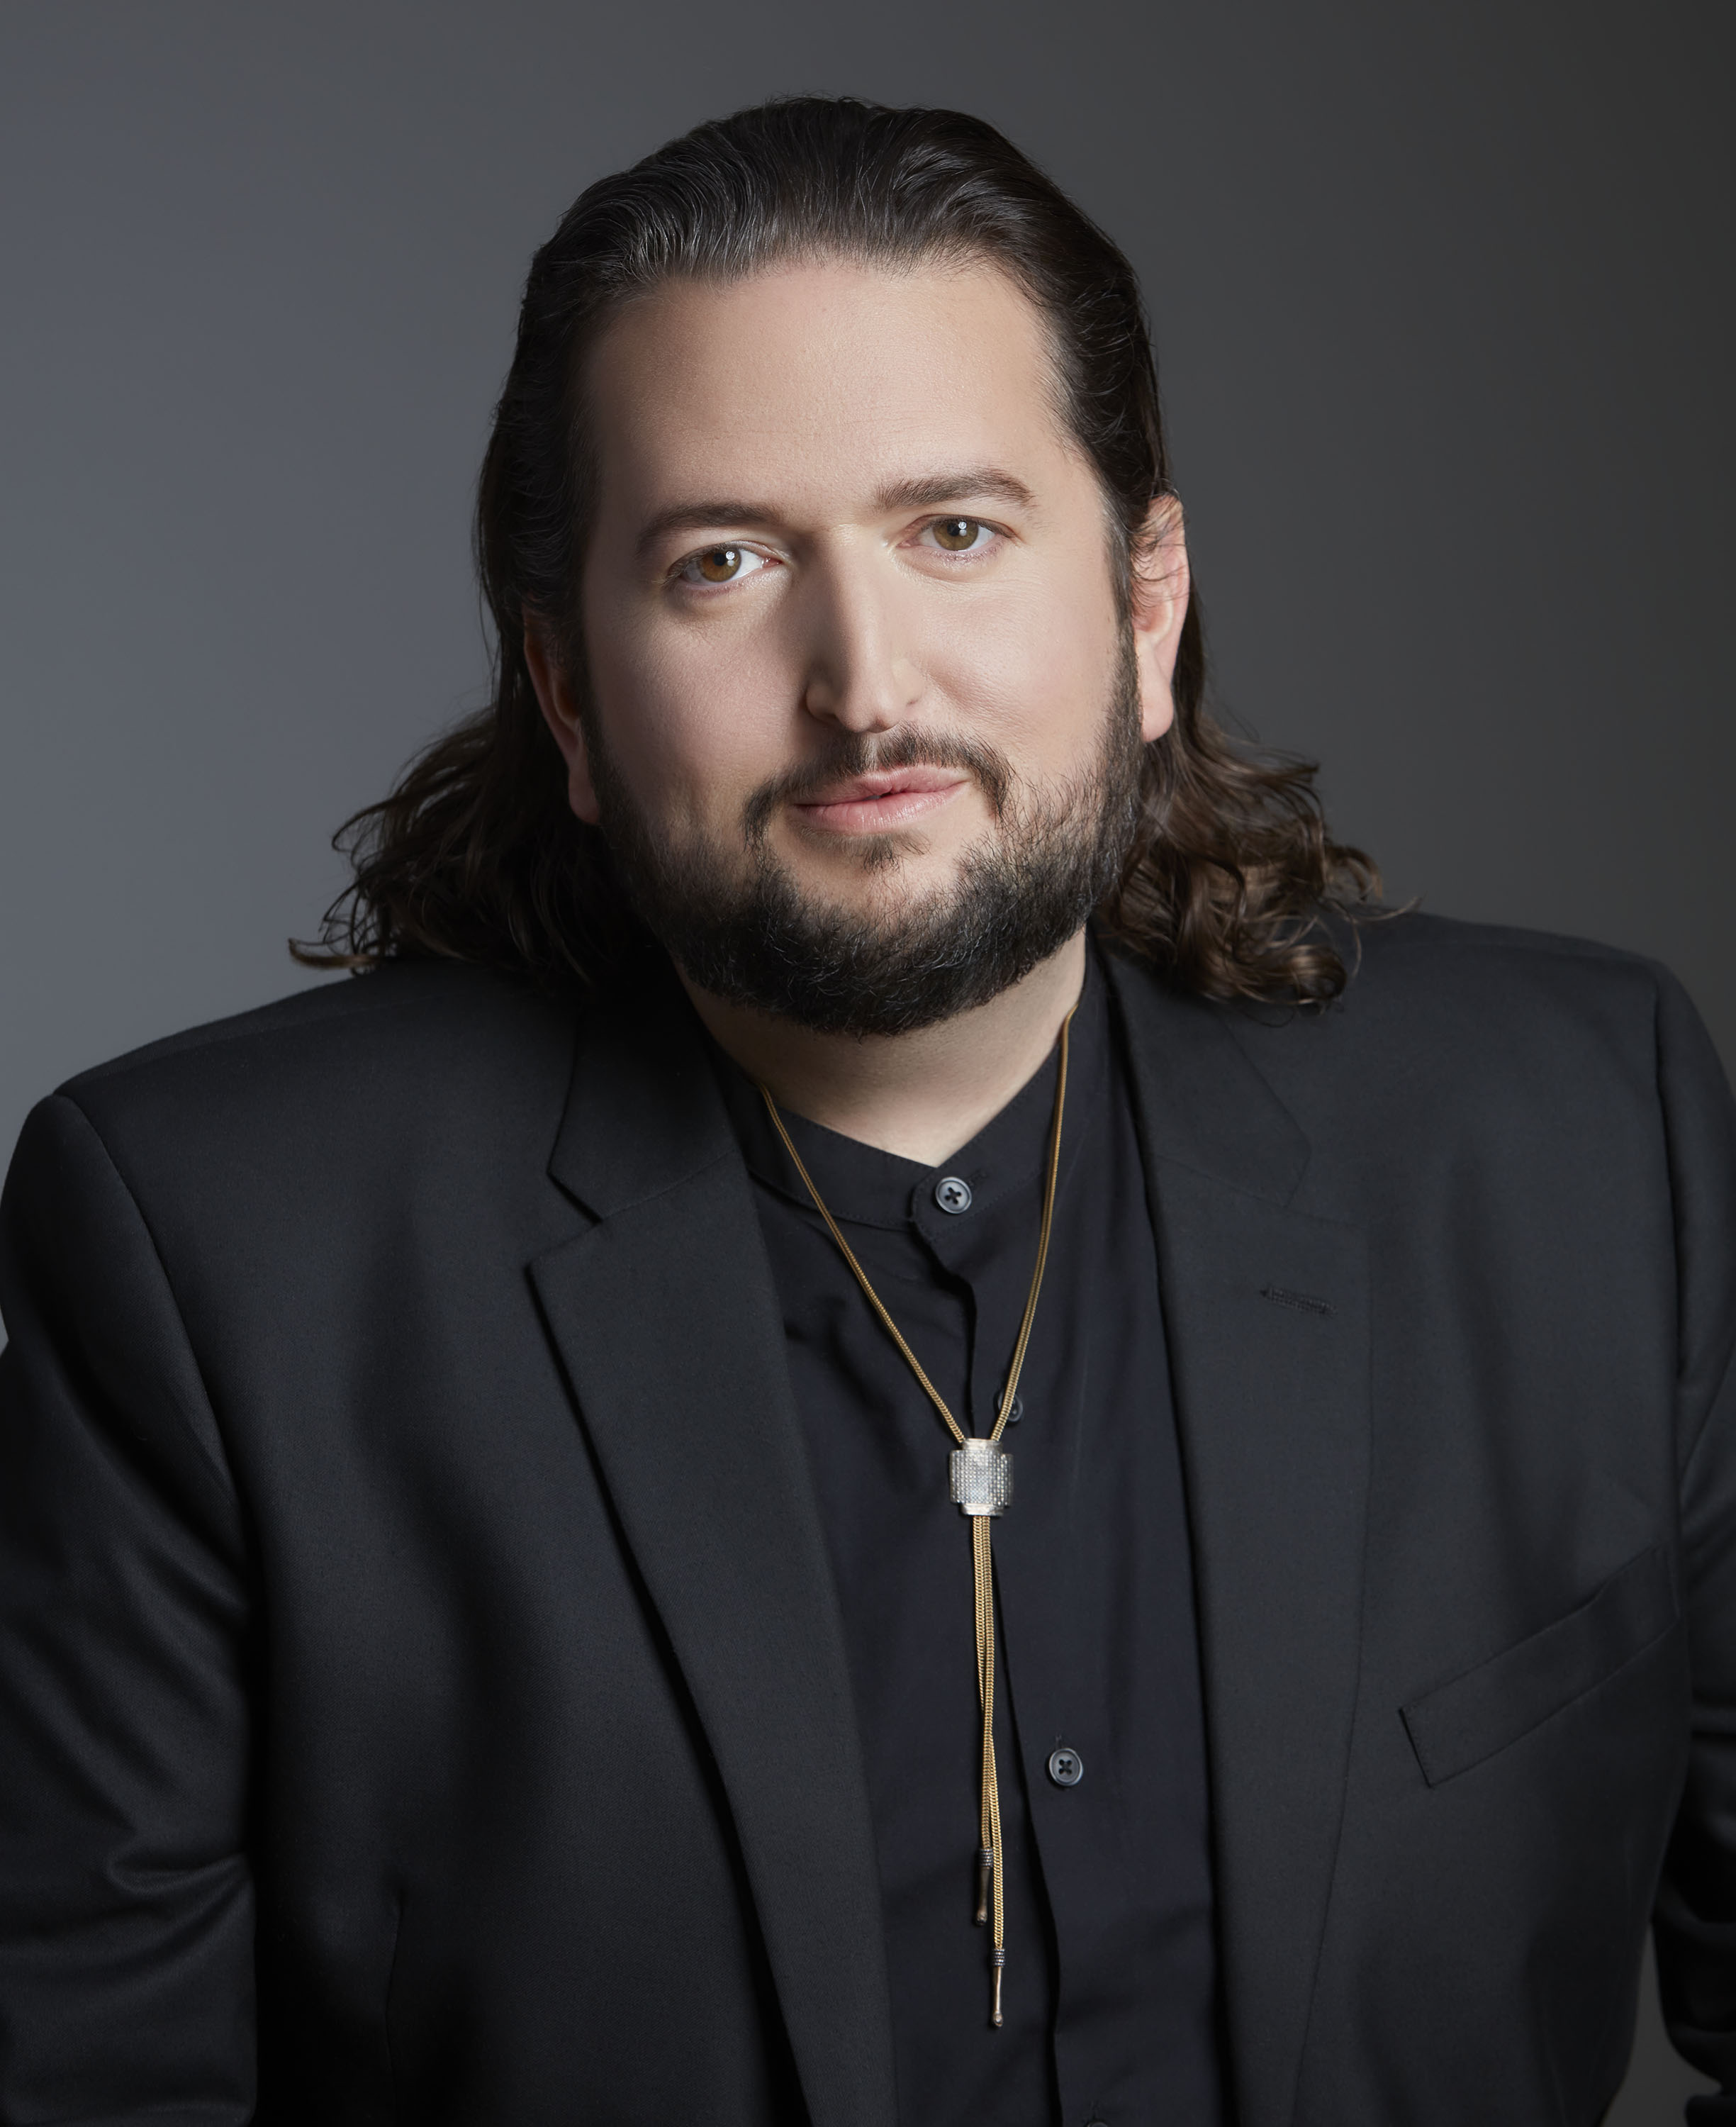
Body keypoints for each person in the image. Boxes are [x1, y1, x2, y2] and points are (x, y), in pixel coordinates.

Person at [0, 94, 1730, 2127]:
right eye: (725, 563)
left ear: (1146, 604)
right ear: (568, 695)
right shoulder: (214, 1252)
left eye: (956, 532)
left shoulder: (1580, 1133)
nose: (862, 678)